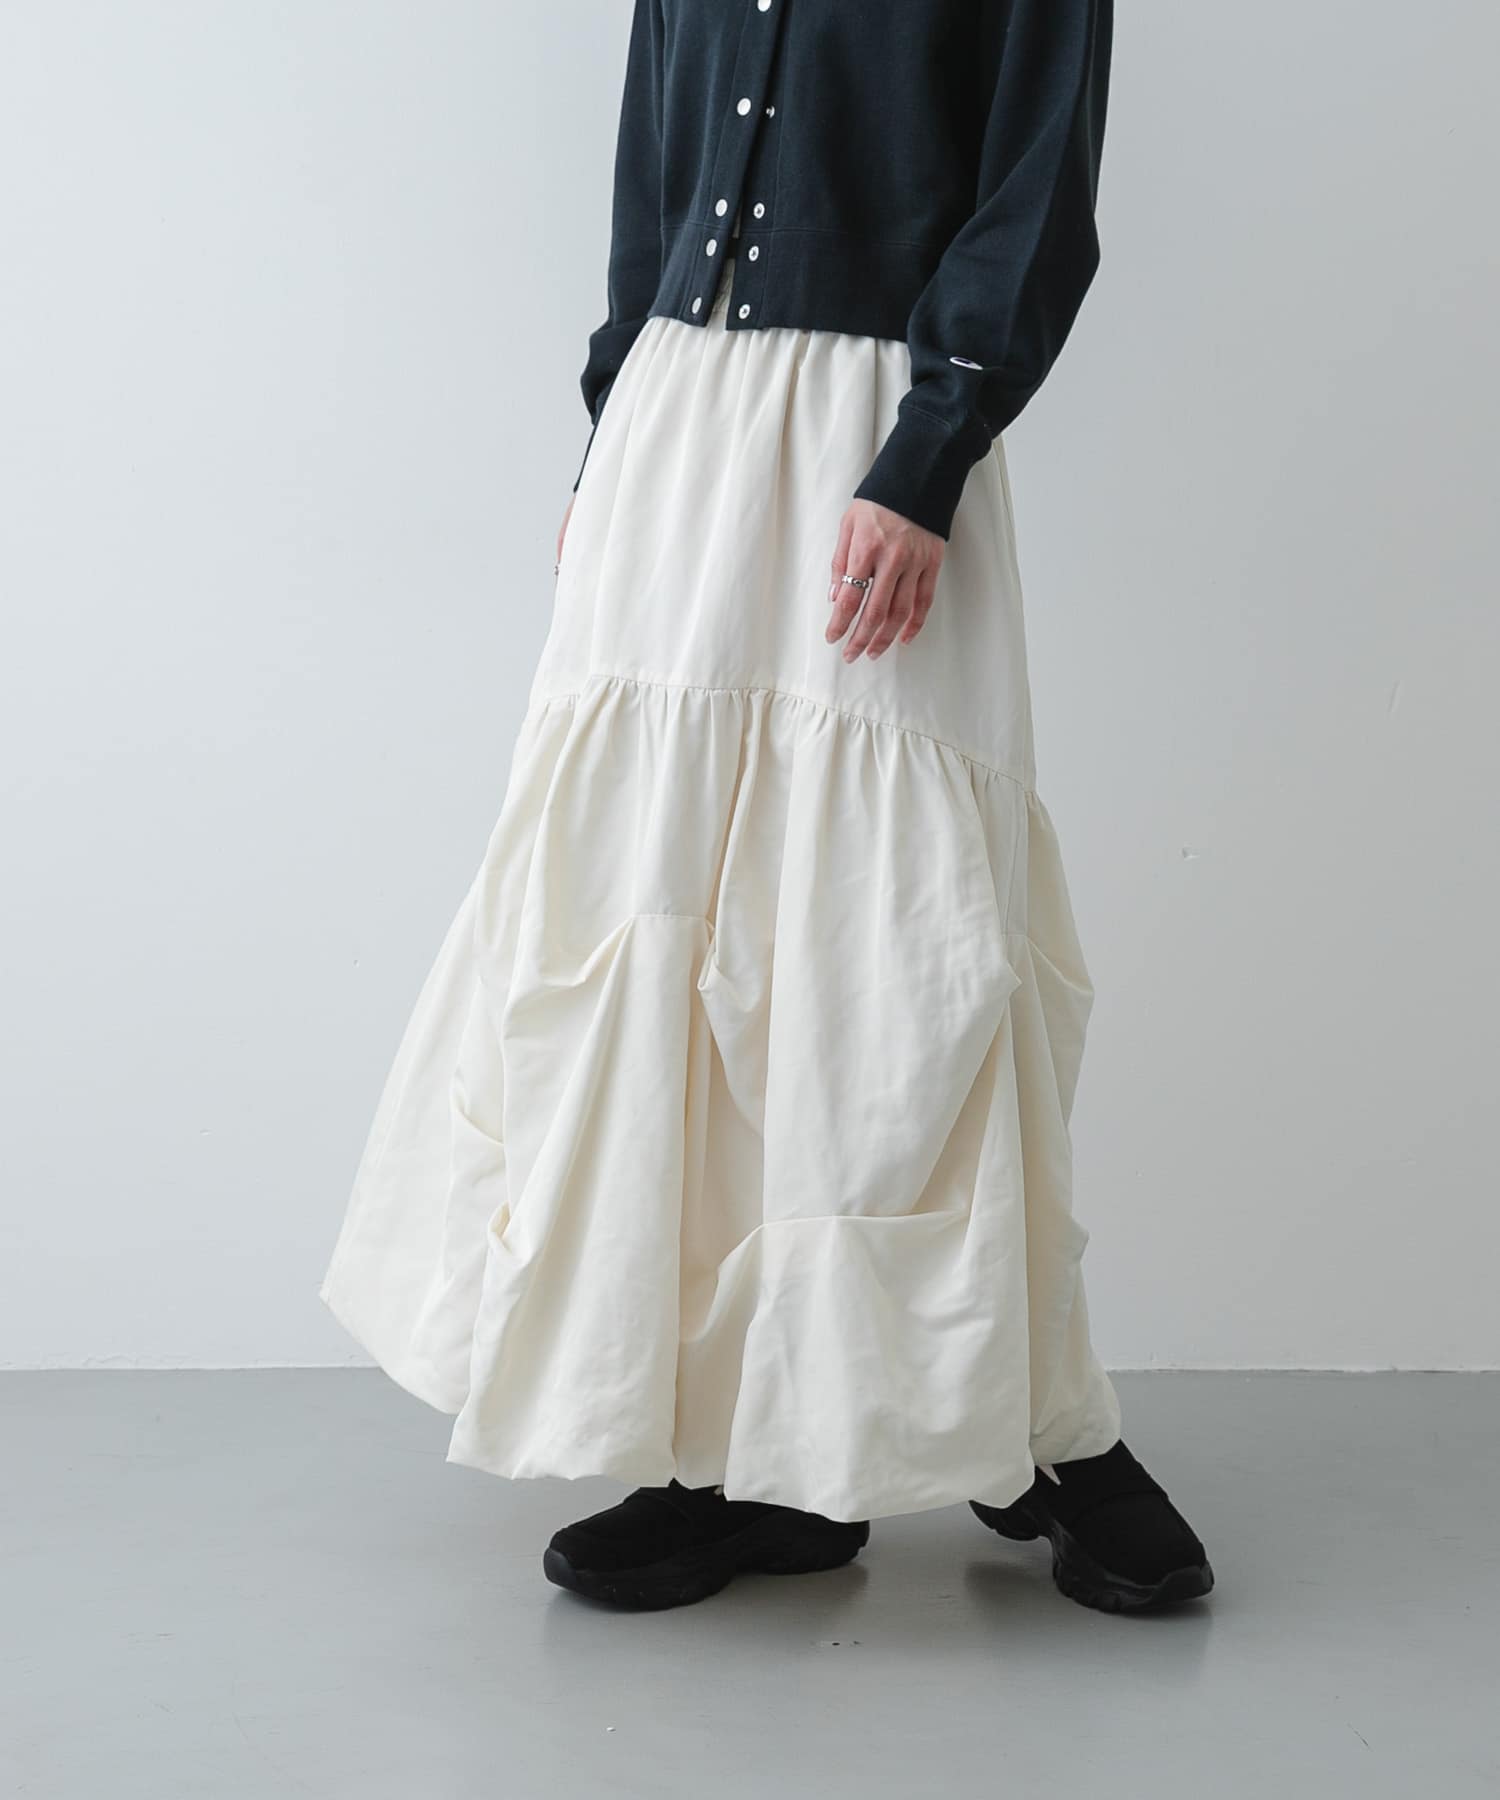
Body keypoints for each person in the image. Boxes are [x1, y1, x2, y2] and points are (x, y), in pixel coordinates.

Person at [320, 0, 1213, 1615]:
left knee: (904, 938)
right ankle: (740, 1462)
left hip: (876, 431)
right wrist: (612, 435)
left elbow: (1038, 192)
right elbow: (650, 180)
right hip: (679, 434)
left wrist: (930, 454)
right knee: (657, 912)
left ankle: (1034, 1423)